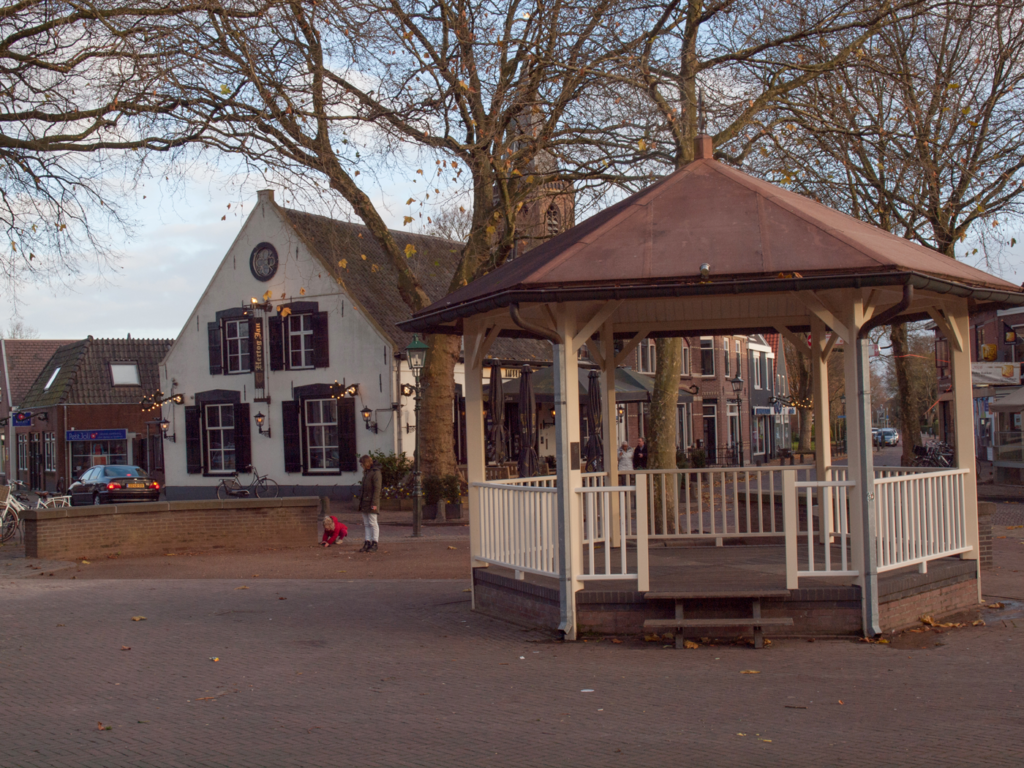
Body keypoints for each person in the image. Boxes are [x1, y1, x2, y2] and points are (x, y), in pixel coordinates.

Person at [357, 454, 382, 552]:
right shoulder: (367, 473)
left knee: (373, 523)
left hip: (371, 501)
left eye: (362, 463)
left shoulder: (375, 473)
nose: (361, 466)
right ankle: (367, 542)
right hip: (365, 501)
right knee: (366, 523)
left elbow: (377, 489)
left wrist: (375, 503)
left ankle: (375, 542)